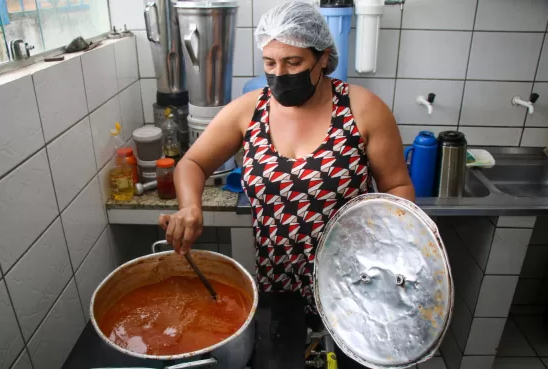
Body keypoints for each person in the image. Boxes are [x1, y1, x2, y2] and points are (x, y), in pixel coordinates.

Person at [160, 1, 414, 366]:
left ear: (323, 57)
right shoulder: (249, 110)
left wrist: (396, 246)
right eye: (270, 63)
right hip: (279, 286)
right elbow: (193, 163)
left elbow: (397, 188)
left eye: (293, 63)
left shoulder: (363, 109)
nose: (280, 74)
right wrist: (190, 206)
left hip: (353, 283)